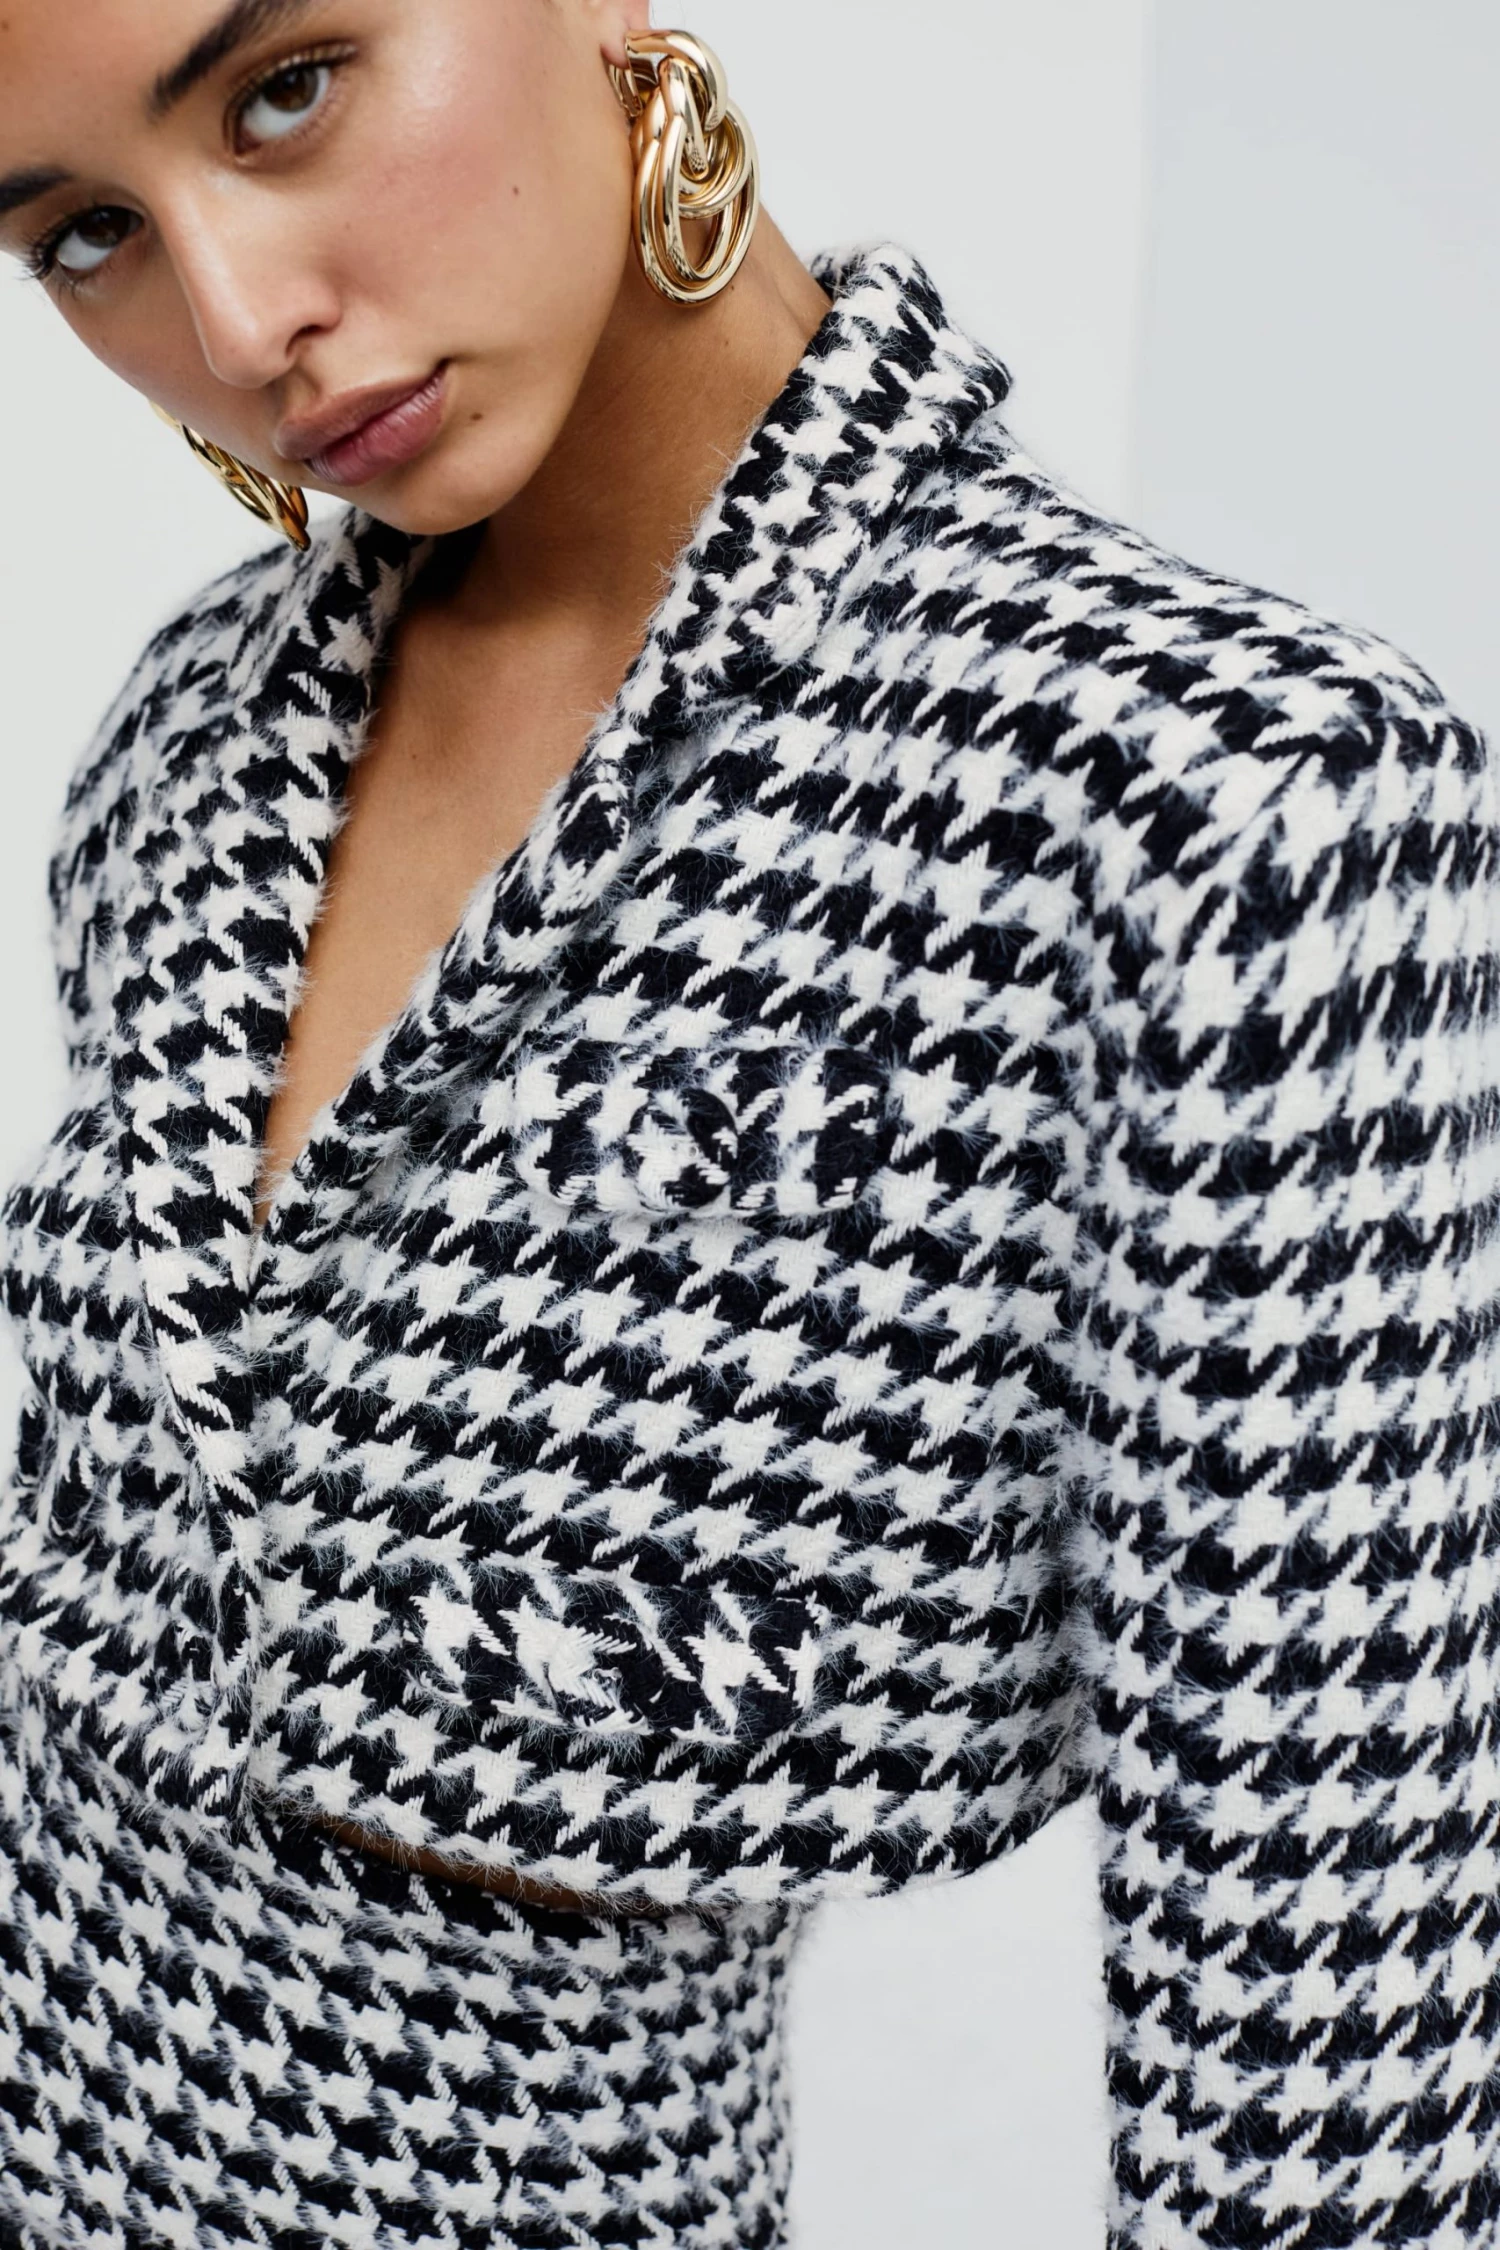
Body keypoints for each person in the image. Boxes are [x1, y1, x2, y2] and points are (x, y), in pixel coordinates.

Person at [1, 2, 1497, 2244]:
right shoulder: (188, 753)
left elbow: (1331, 2054)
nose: (233, 324)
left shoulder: (1220, 805)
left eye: (285, 88)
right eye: (85, 236)